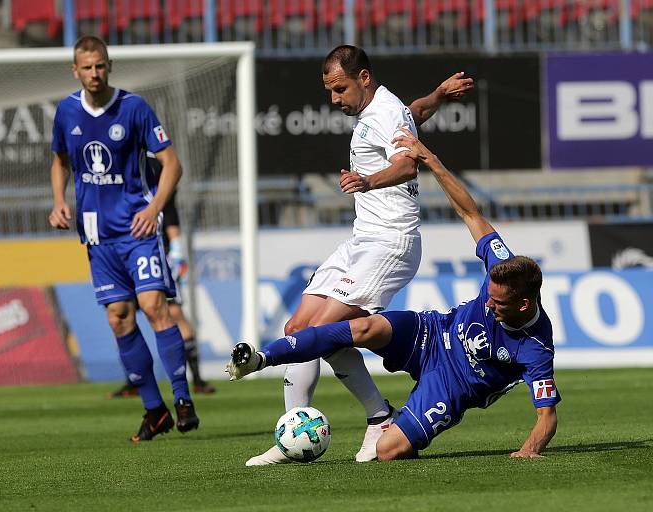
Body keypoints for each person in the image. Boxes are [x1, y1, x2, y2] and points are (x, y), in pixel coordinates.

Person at [227, 128, 560, 461]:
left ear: (524, 304)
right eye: (488, 295)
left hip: (452, 387)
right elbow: (470, 212)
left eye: (498, 303)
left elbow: (547, 417)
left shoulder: (536, 348)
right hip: (433, 332)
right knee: (363, 327)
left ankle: (389, 422)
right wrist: (429, 158)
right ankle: (263, 358)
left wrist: (528, 450)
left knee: (388, 452)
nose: (488, 304)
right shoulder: (502, 265)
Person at [245, 45, 474, 466]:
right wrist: (439, 96)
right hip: (361, 240)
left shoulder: (384, 112)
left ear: (363, 78)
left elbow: (408, 166)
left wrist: (367, 182)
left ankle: (378, 418)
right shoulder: (386, 111)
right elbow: (416, 113)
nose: (334, 100)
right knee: (299, 325)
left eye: (340, 89)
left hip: (390, 243)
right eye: (330, 91)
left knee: (324, 330)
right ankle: (295, 432)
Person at [48, 35, 198, 442]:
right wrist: (59, 200)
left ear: (109, 66)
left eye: (101, 65)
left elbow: (172, 164)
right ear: (75, 70)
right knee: (118, 317)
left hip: (138, 229)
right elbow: (60, 160)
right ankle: (155, 410)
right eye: (87, 67)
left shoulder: (134, 108)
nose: (95, 73)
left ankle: (183, 399)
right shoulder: (66, 111)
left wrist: (154, 210)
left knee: (154, 306)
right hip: (98, 235)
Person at [110, 176, 215, 398]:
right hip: (121, 253)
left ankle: (196, 379)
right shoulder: (118, 169)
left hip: (155, 254)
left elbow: (170, 214)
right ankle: (133, 380)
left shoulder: (156, 168)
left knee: (173, 312)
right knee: (121, 315)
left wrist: (176, 251)